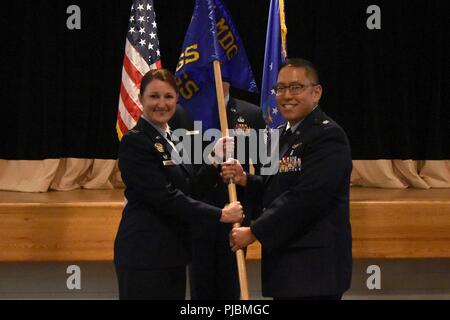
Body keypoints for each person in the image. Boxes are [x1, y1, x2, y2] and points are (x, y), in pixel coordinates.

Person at [223, 58, 353, 300]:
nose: (286, 95)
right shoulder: (284, 134)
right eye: (280, 88)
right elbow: (279, 186)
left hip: (314, 270)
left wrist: (254, 231)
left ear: (316, 93)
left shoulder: (327, 136)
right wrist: (246, 180)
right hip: (286, 265)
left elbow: (306, 198)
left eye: (296, 87)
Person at [113, 69, 243, 300]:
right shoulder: (136, 141)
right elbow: (166, 197)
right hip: (144, 253)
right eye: (154, 96)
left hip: (172, 252)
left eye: (168, 97)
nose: (161, 104)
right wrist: (220, 214)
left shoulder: (169, 138)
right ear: (141, 98)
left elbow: (189, 188)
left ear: (177, 99)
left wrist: (213, 159)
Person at [172, 82, 266, 300]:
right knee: (201, 295)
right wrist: (211, 161)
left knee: (231, 294)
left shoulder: (251, 114)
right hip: (197, 222)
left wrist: (252, 224)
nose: (215, 77)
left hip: (235, 226)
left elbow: (265, 178)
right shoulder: (184, 115)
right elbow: (181, 178)